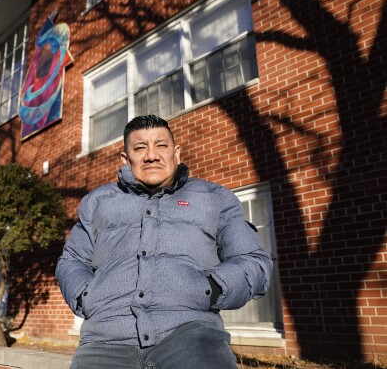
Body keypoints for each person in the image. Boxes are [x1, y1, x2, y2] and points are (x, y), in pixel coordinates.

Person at [56, 115, 273, 368]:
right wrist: (87, 297)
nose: (151, 155)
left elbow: (254, 262)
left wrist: (209, 288)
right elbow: (71, 260)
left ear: (176, 153)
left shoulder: (214, 198)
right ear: (126, 159)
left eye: (161, 145)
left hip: (192, 336)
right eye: (140, 148)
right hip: (105, 339)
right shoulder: (97, 202)